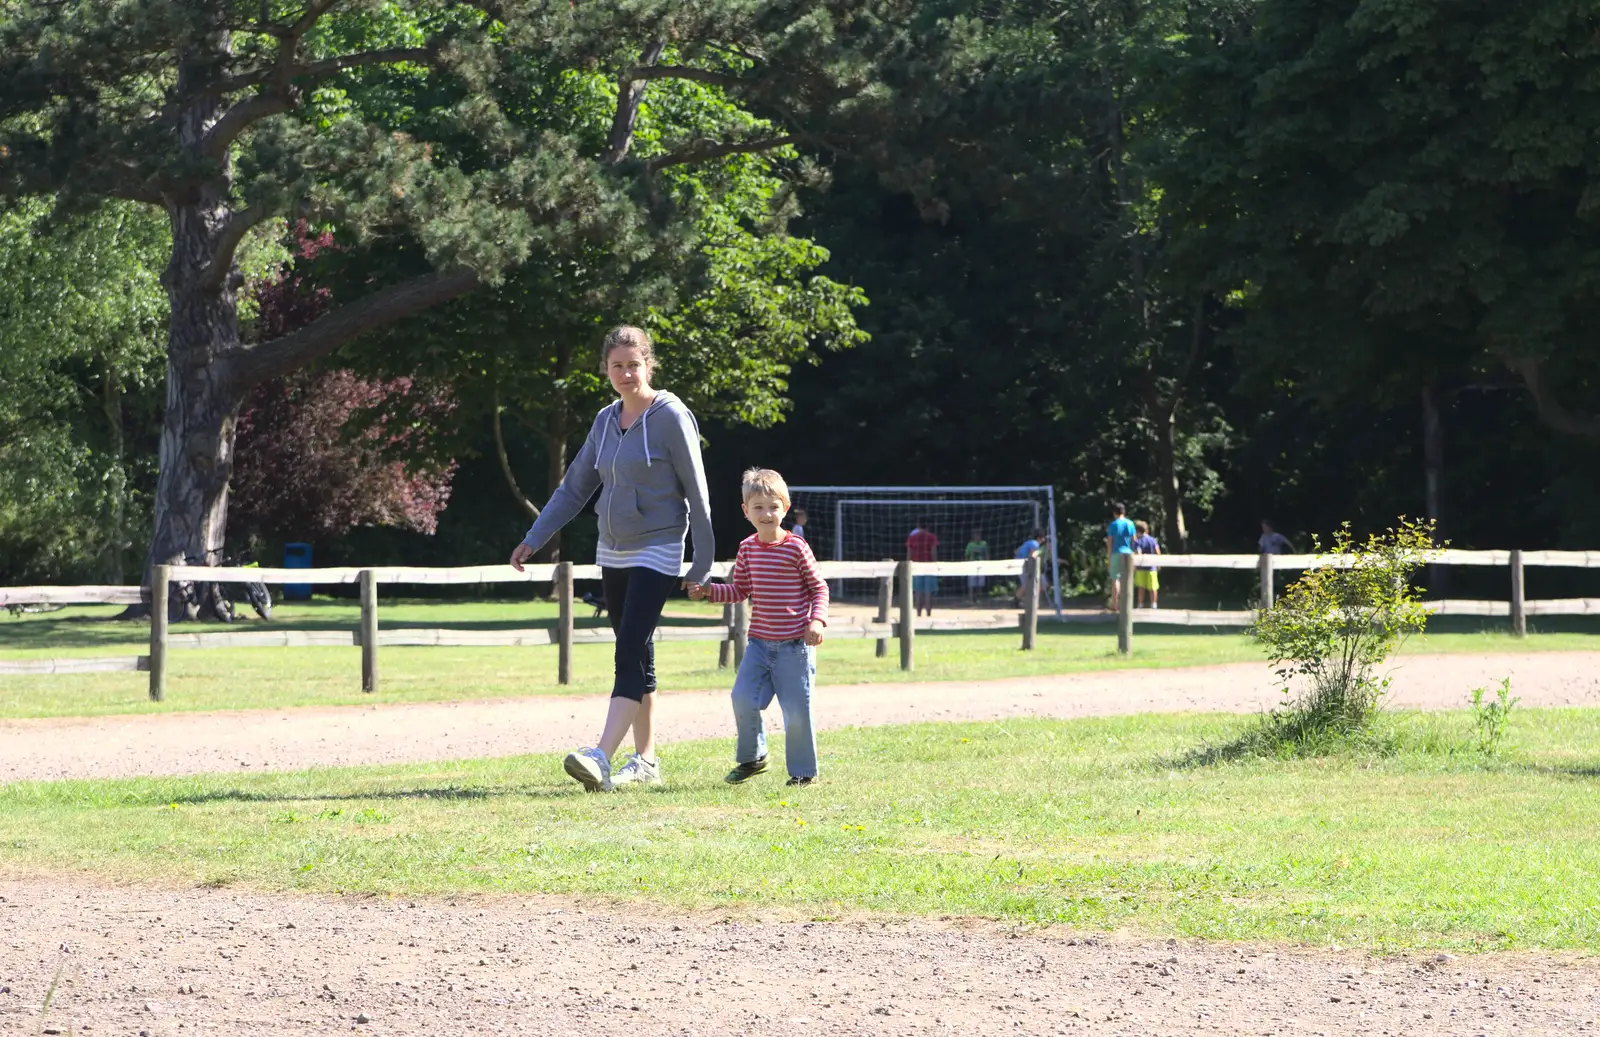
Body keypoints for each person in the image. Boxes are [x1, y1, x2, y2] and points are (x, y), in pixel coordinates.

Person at [509, 325, 714, 792]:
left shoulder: (671, 416)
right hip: (613, 547)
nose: (625, 373)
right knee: (637, 648)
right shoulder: (605, 421)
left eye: (633, 364)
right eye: (616, 365)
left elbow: (698, 492)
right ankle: (646, 762)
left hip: (661, 545)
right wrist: (534, 537)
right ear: (606, 368)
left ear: (649, 365)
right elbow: (576, 485)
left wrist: (702, 561)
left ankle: (601, 755)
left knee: (628, 649)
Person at [689, 468, 828, 786]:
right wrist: (709, 591)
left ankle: (803, 773)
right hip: (760, 645)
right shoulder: (747, 548)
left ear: (786, 507)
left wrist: (817, 620)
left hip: (795, 646)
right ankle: (753, 758)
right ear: (746, 511)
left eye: (773, 507)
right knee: (743, 698)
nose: (767, 514)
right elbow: (740, 590)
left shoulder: (796, 548)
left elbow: (819, 588)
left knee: (796, 713)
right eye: (759, 507)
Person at [1105, 502, 1137, 609]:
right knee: (1127, 579)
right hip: (1128, 553)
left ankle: (1115, 604)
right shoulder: (1130, 524)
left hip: (1116, 552)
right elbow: (1134, 541)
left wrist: (1109, 557)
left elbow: (1110, 542)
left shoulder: (1113, 525)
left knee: (1115, 579)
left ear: (1114, 513)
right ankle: (1126, 604)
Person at [906, 518, 940, 616]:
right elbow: (933, 552)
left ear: (918, 524)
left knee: (918, 592)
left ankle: (918, 613)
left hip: (916, 566)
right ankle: (928, 613)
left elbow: (909, 553)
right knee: (928, 592)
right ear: (928, 525)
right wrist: (935, 564)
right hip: (929, 566)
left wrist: (909, 564)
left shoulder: (912, 537)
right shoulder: (932, 537)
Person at [1132, 520, 1161, 609]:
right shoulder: (1152, 540)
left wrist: (1134, 566)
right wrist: (1158, 564)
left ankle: (1140, 604)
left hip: (1141, 568)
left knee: (1141, 587)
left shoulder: (1138, 542)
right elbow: (1157, 551)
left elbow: (1137, 553)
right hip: (1152, 567)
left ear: (1137, 531)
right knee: (1153, 587)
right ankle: (1154, 604)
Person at [1013, 527, 1044, 605]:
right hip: (1022, 564)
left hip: (1018, 562)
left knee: (1028, 584)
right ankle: (1016, 601)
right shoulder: (1035, 544)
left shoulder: (1029, 542)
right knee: (1026, 584)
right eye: (1043, 537)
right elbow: (1032, 556)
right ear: (1040, 537)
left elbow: (1016, 551)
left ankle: (1021, 600)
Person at [963, 528, 989, 604]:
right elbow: (966, 555)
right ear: (973, 536)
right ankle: (971, 599)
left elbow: (987, 554)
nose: (977, 536)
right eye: (976, 534)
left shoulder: (984, 544)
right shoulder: (970, 544)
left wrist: (987, 563)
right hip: (972, 566)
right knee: (971, 584)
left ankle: (979, 598)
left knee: (980, 584)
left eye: (979, 534)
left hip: (981, 566)